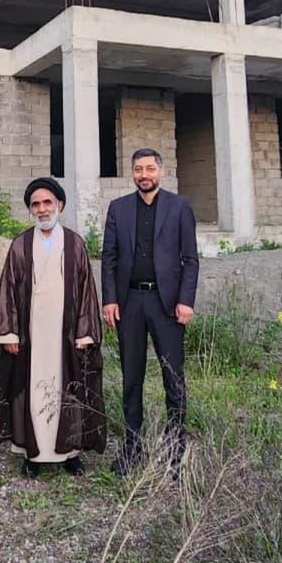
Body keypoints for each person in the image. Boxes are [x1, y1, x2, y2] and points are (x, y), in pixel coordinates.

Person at [0, 178, 105, 477]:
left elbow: (87, 290)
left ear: (59, 205)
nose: (42, 209)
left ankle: (70, 452)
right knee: (33, 390)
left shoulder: (75, 243)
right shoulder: (20, 244)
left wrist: (85, 331)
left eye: (47, 202)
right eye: (36, 204)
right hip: (32, 335)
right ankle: (33, 453)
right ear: (30, 210)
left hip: (66, 333)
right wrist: (9, 332)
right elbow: (8, 289)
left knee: (69, 388)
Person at [100, 148, 198, 475]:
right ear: (133, 173)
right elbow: (109, 258)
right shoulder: (118, 208)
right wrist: (109, 299)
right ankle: (133, 447)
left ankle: (175, 448)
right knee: (132, 377)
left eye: (150, 169)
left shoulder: (179, 207)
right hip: (129, 302)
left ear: (161, 171)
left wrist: (186, 300)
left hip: (166, 304)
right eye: (139, 169)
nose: (144, 175)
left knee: (173, 375)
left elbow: (190, 259)